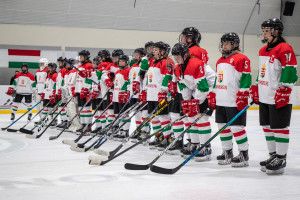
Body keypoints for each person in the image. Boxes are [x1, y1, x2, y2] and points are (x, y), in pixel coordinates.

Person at [250, 18, 298, 174]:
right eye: (263, 30)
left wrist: (285, 88)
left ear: (276, 31)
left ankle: (281, 158)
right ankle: (273, 155)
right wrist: (256, 86)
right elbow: (262, 71)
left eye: (267, 30)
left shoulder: (284, 48)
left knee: (279, 127)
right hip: (265, 96)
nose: (264, 33)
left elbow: (290, 70)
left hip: (278, 96)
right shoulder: (263, 50)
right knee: (267, 126)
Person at [208, 32, 251, 167]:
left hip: (234, 100)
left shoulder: (241, 58)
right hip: (221, 100)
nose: (224, 45)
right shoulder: (220, 60)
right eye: (223, 43)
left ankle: (244, 153)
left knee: (236, 128)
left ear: (235, 44)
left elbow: (246, 77)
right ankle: (227, 151)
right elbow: (217, 79)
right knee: (222, 127)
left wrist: (244, 93)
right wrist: (213, 94)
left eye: (227, 43)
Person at [171, 43, 212, 161]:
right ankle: (194, 144)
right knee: (190, 118)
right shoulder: (178, 68)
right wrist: (188, 101)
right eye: (175, 56)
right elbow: (183, 86)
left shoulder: (196, 64)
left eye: (178, 56)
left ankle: (206, 147)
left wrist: (196, 101)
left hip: (207, 92)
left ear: (185, 55)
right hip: (195, 93)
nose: (176, 59)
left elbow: (203, 86)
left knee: (202, 119)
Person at [145, 41, 173, 149]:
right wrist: (146, 89)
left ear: (163, 51)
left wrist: (164, 90)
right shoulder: (152, 62)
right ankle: (158, 137)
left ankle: (168, 137)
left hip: (161, 94)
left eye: (156, 50)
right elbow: (149, 77)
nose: (153, 51)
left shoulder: (167, 62)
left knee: (163, 116)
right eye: (154, 49)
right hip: (151, 94)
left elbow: (168, 75)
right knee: (153, 117)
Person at [74, 50, 94, 132]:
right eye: (80, 56)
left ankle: (88, 126)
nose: (80, 58)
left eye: (82, 56)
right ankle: (83, 125)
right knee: (81, 108)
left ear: (86, 57)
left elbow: (90, 78)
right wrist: (76, 89)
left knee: (86, 108)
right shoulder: (80, 65)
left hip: (85, 90)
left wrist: (86, 89)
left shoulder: (89, 65)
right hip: (79, 90)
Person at [55, 56, 69, 129]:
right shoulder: (60, 71)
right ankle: (63, 120)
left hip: (62, 92)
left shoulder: (64, 70)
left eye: (60, 62)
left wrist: (62, 91)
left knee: (63, 107)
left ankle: (66, 121)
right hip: (58, 92)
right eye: (58, 62)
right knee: (60, 108)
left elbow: (64, 82)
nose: (59, 64)